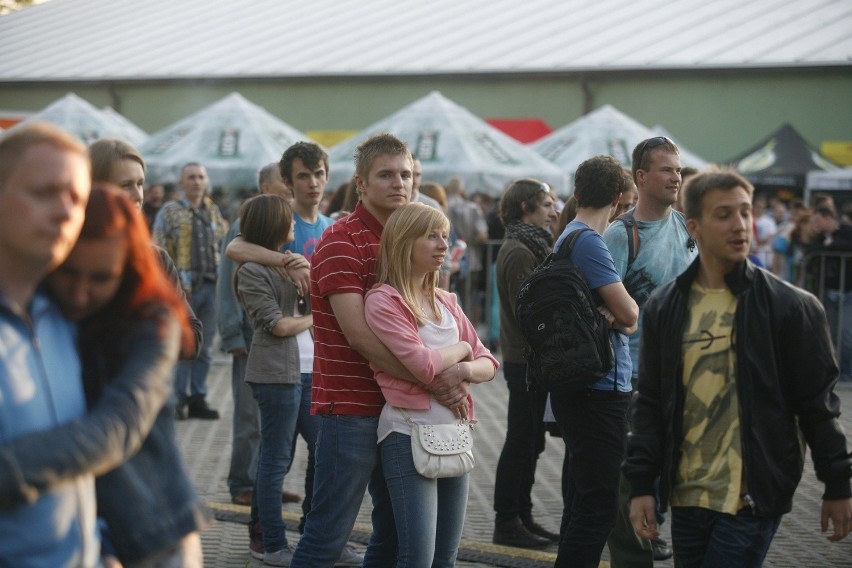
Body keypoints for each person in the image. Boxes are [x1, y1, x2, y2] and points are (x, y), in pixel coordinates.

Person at [625, 169, 852, 566]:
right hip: (687, 496)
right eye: (724, 214)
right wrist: (642, 484)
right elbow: (652, 403)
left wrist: (838, 484)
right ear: (693, 226)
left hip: (752, 497)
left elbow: (818, 406)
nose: (740, 225)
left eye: (746, 213)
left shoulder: (790, 307)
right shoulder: (665, 308)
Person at [290, 134, 469, 566]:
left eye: (405, 174)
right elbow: (359, 336)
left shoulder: (410, 240)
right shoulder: (340, 241)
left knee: (391, 536)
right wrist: (433, 380)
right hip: (351, 406)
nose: (398, 183)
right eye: (385, 175)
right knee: (327, 536)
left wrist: (457, 369)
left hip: (402, 413)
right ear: (361, 183)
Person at [27, 185, 209, 566]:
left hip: (153, 534)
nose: (79, 293)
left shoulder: (151, 323)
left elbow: (116, 428)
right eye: (70, 274)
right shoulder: (41, 314)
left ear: (127, 268)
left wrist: (12, 469)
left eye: (100, 278)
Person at [364, 202, 499, 566]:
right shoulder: (383, 300)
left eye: (445, 234)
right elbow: (423, 365)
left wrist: (464, 371)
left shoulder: (446, 300)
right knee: (417, 558)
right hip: (407, 434)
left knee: (446, 558)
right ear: (405, 242)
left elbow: (488, 362)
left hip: (454, 433)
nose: (443, 244)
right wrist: (462, 351)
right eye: (431, 236)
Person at [0, 122, 96, 566]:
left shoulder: (67, 320)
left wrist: (104, 548)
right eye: (44, 192)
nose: (64, 212)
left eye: (77, 198)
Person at [602, 135, 696, 565]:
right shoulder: (622, 234)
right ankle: (634, 552)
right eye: (665, 169)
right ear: (641, 177)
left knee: (676, 472)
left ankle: (655, 532)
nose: (675, 176)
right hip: (636, 377)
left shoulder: (686, 228)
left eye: (678, 169)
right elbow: (601, 305)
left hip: (689, 372)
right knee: (633, 476)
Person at [549, 155, 639, 567]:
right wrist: (622, 318)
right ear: (620, 197)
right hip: (600, 387)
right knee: (599, 506)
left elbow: (621, 316)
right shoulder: (588, 241)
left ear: (578, 190)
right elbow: (630, 315)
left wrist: (619, 317)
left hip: (581, 383)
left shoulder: (567, 234)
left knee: (584, 499)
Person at [233, 194, 312, 566]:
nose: (294, 224)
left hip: (308, 371)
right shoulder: (251, 269)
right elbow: (278, 325)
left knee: (327, 451)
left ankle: (316, 537)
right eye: (289, 219)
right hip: (275, 373)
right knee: (275, 460)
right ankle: (270, 542)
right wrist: (317, 318)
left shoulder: (290, 262)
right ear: (273, 224)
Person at [492, 179, 561, 549]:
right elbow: (529, 311)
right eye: (547, 204)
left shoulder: (534, 244)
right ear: (526, 208)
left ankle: (524, 516)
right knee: (520, 441)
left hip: (533, 360)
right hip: (525, 362)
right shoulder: (520, 250)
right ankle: (507, 521)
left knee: (531, 441)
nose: (554, 210)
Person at [87, 137, 203, 356]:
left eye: (140, 184)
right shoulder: (66, 255)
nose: (138, 195)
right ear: (95, 188)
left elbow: (192, 338)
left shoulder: (154, 258)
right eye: (125, 185)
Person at [153, 161, 229, 419]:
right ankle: (177, 399)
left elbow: (222, 242)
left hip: (210, 284)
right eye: (191, 177)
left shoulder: (212, 211)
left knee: (204, 346)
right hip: (182, 287)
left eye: (200, 177)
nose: (197, 181)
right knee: (181, 342)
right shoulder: (170, 211)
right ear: (181, 183)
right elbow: (158, 245)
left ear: (206, 181)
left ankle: (198, 396)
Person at [806, 206, 852, 381]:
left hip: (848, 292)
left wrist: (830, 246)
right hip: (828, 291)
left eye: (817, 220)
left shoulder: (847, 230)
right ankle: (832, 372)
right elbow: (812, 252)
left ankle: (847, 373)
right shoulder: (820, 237)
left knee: (846, 334)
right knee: (830, 334)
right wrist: (827, 245)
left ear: (828, 218)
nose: (815, 224)